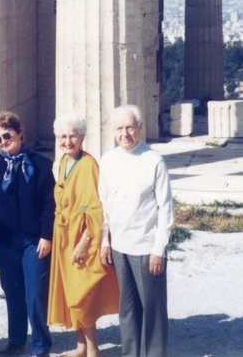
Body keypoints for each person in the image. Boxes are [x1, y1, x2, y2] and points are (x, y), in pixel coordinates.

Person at [0, 112, 56, 357]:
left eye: (7, 135)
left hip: (34, 241)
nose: (3, 142)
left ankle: (41, 346)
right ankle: (16, 342)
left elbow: (48, 204)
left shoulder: (41, 164)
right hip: (5, 242)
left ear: (20, 132)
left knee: (35, 294)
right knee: (12, 293)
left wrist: (46, 235)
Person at [98, 104, 174, 357]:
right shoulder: (107, 160)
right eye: (119, 128)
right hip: (119, 247)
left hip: (146, 247)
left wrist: (158, 249)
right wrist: (104, 242)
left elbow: (165, 209)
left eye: (130, 127)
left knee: (152, 308)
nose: (125, 133)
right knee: (127, 308)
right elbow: (104, 203)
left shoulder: (154, 161)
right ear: (113, 131)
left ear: (140, 127)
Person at [47, 113, 120, 357]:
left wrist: (84, 243)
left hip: (82, 237)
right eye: (63, 136)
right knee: (70, 292)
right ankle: (80, 346)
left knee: (82, 294)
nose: (67, 141)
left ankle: (93, 349)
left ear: (82, 137)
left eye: (73, 136)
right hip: (63, 236)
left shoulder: (88, 164)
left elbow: (96, 208)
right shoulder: (63, 162)